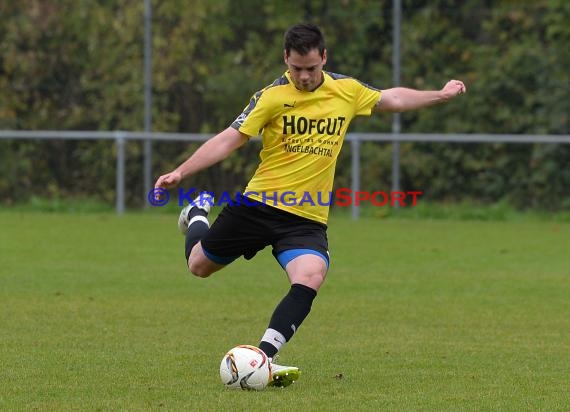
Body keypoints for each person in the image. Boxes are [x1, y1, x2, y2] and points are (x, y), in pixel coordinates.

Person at [154, 23, 466, 387]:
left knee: (311, 276)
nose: (303, 76)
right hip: (258, 205)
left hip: (306, 218)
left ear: (324, 58)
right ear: (286, 59)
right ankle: (195, 214)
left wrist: (440, 95)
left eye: (311, 68)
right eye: (297, 68)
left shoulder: (346, 90)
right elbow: (229, 139)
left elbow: (391, 99)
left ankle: (263, 359)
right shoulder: (270, 96)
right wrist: (181, 171)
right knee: (199, 267)